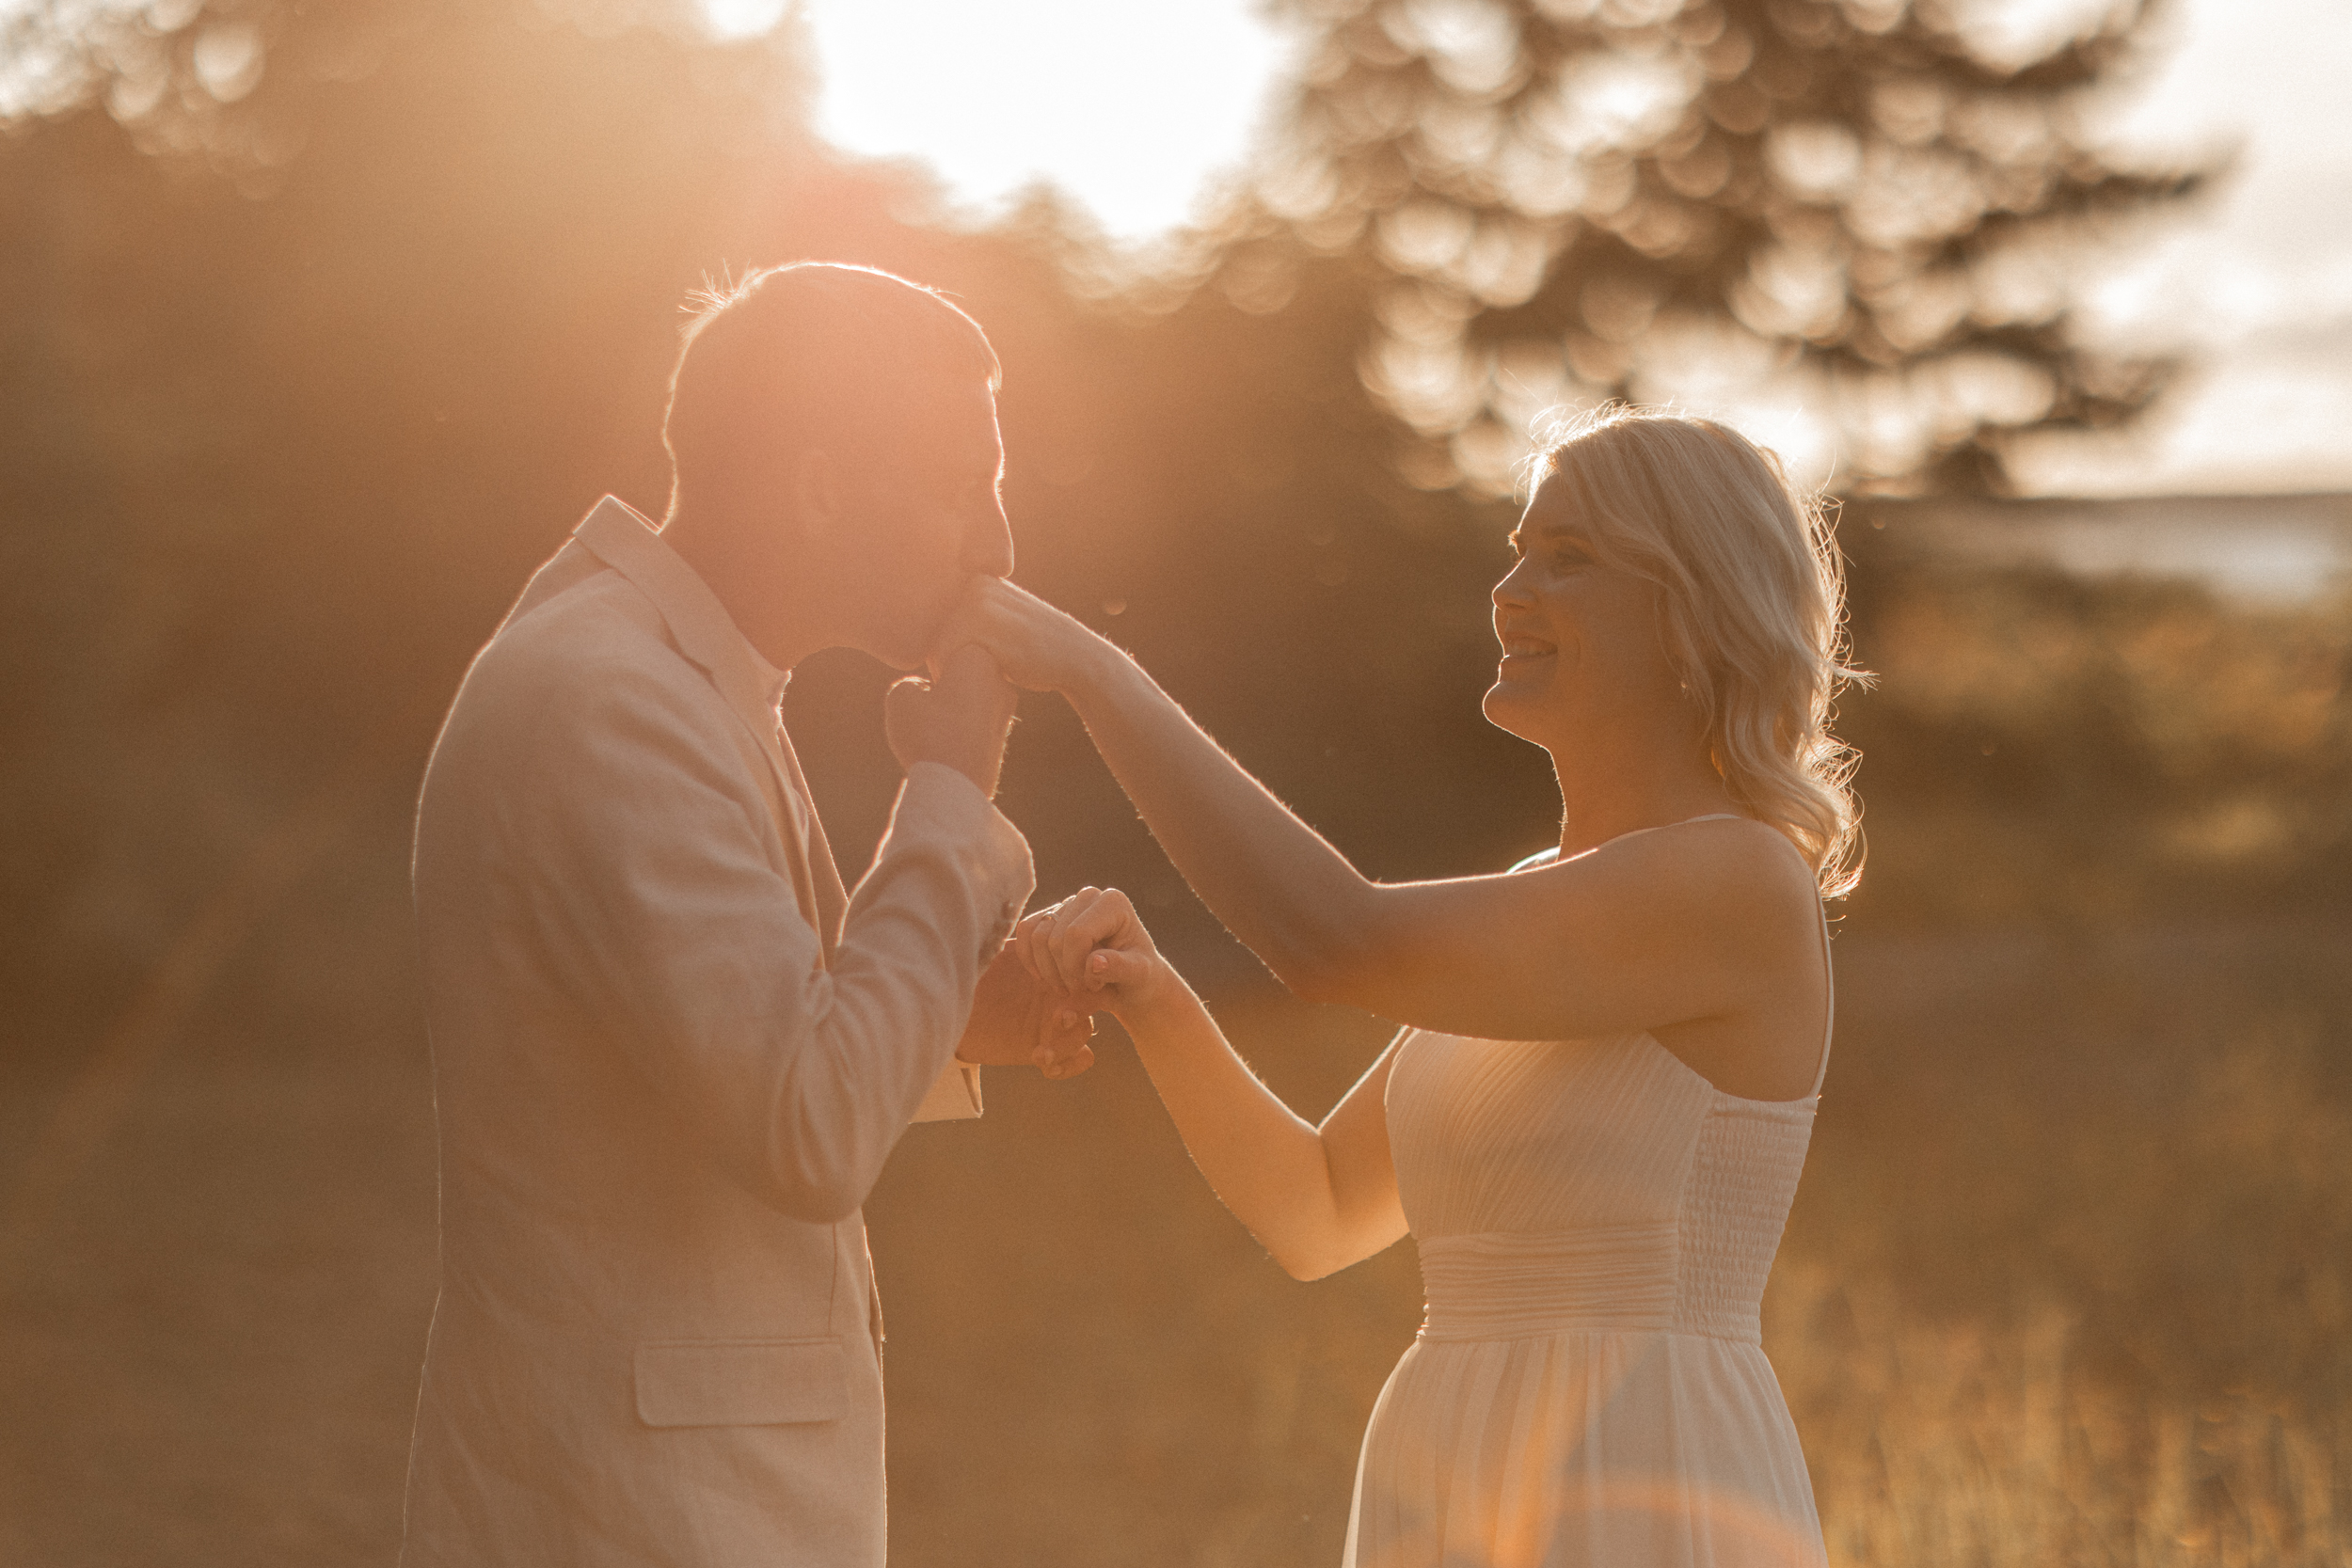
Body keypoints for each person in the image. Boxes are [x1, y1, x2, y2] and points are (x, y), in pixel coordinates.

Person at [947, 405, 1861, 1567]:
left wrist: (1094, 674)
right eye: (1519, 547)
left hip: (1642, 1472)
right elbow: (1318, 1208)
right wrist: (1153, 990)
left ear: (1693, 609)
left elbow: (1333, 938)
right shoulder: (1547, 895)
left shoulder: (1732, 878)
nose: (1510, 587)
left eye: (1567, 557)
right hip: (1455, 1469)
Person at [399, 262, 1092, 1568]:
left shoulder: (682, 673)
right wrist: (948, 790)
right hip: (641, 1512)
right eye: (967, 483)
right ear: (824, 483)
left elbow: (714, 1039)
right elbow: (807, 1122)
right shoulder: (617, 696)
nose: (998, 545)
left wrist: (958, 1015)